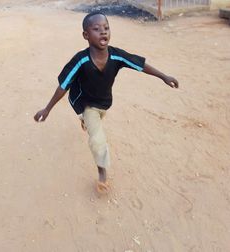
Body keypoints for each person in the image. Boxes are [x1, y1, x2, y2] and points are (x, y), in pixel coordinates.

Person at [34, 11, 179, 194]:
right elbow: (63, 86)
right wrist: (47, 109)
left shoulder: (116, 56)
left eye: (106, 28)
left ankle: (86, 121)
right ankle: (102, 172)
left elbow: (140, 65)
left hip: (104, 103)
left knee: (96, 121)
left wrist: (164, 76)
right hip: (85, 103)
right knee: (97, 139)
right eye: (96, 29)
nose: (103, 32)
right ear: (86, 35)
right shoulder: (80, 60)